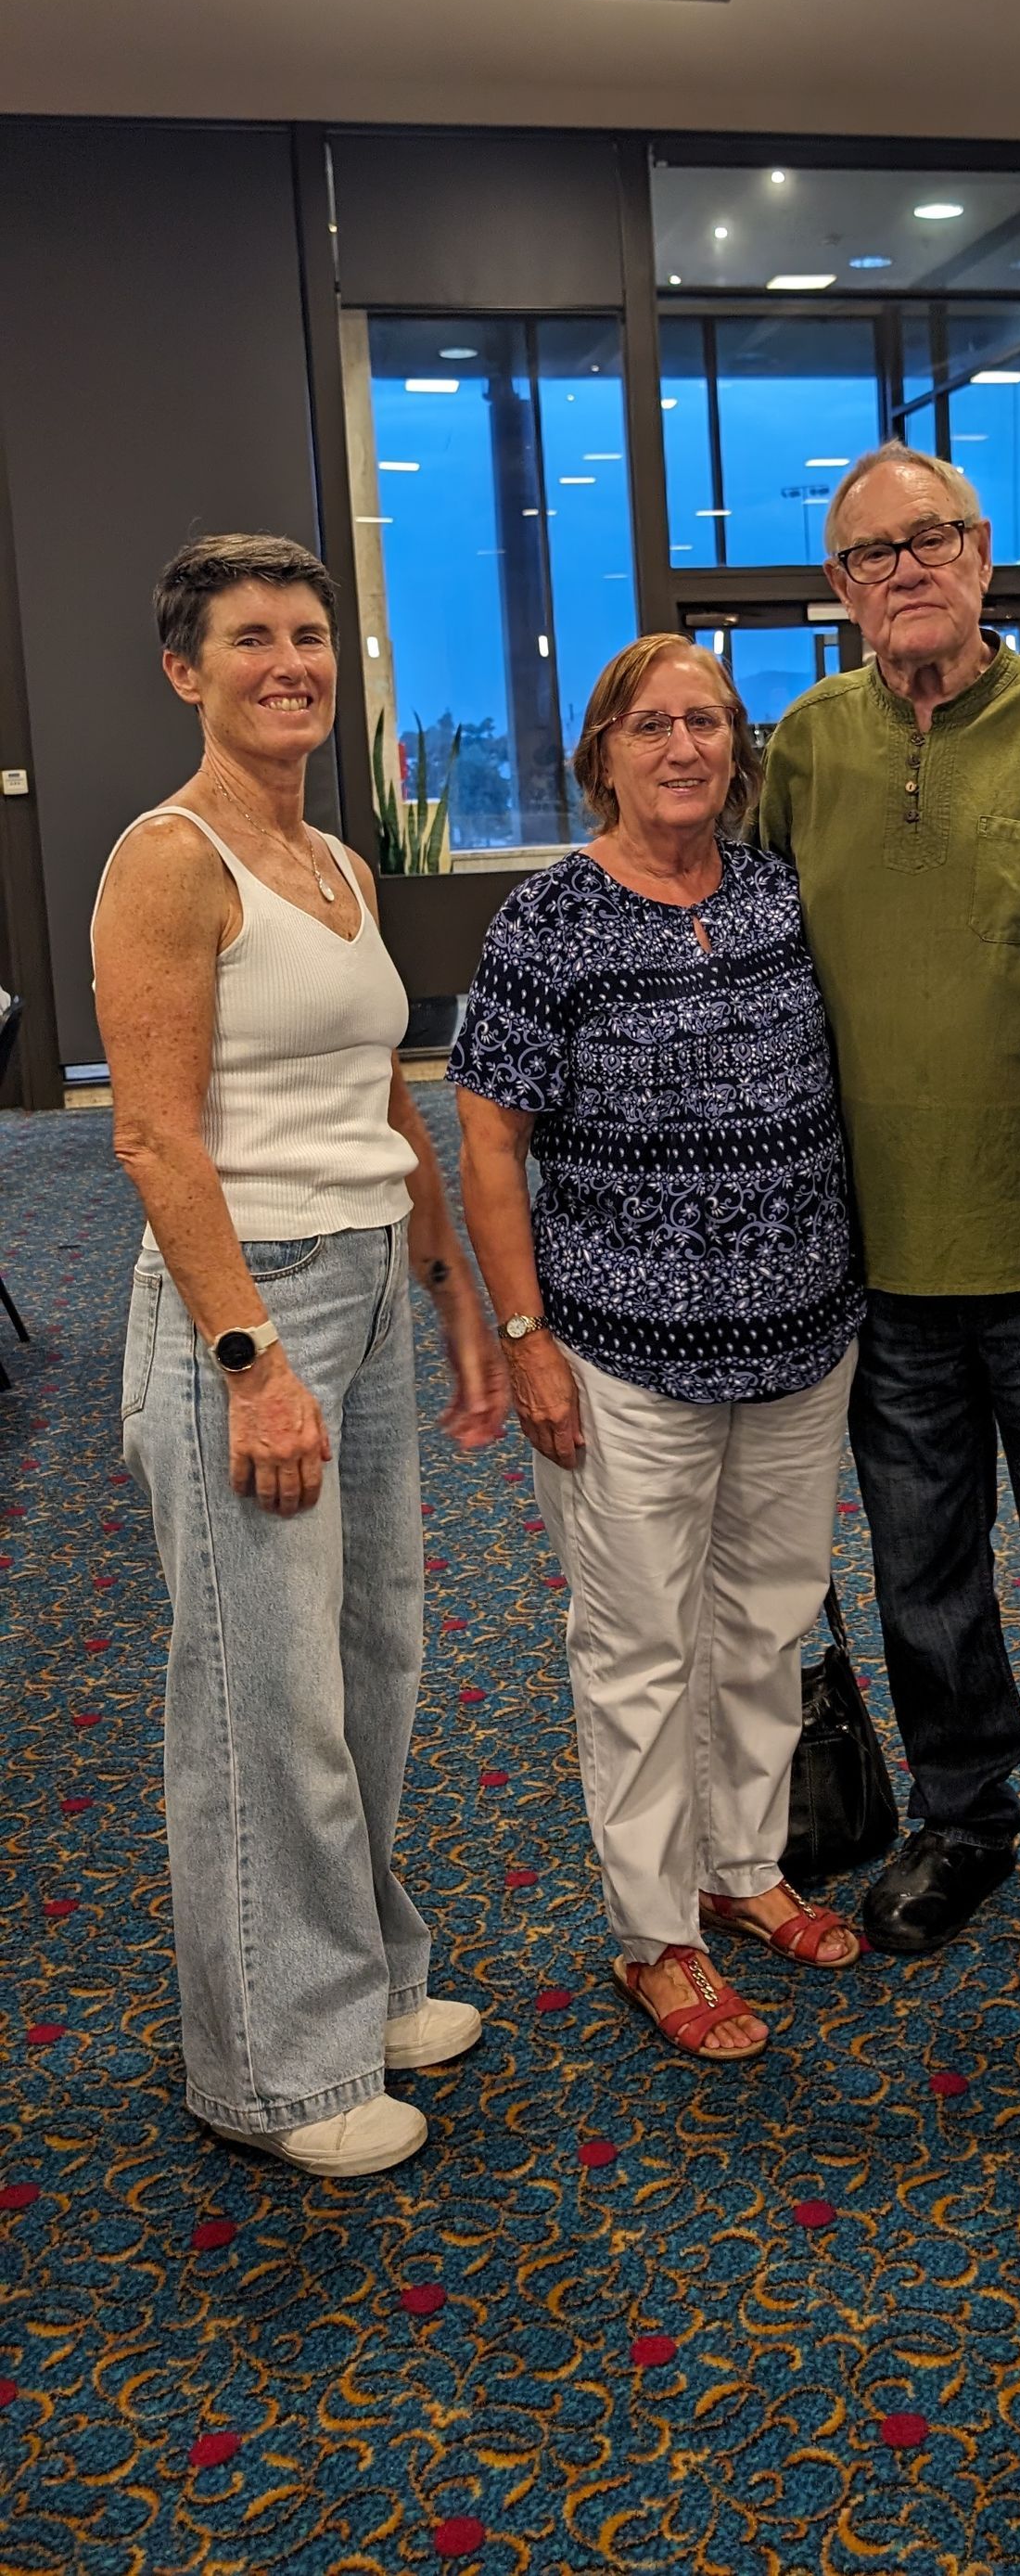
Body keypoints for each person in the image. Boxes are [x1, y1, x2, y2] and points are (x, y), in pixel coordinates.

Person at [92, 533, 507, 2176]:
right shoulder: (169, 857)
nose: (291, 663)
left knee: (367, 1661)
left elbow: (378, 1086)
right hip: (248, 1297)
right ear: (185, 669)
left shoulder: (333, 858)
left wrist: (447, 1277)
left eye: (312, 634)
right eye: (252, 637)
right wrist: (248, 1357)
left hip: (369, 1276)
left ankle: (365, 1981)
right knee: (259, 1696)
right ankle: (271, 2068)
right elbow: (151, 1135)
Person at [754, 442, 1020, 1985]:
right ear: (842, 587)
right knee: (922, 1565)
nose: (907, 568)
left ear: (984, 554)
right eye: (873, 552)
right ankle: (962, 1814)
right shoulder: (809, 746)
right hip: (881, 1258)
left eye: (931, 538)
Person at [451, 637, 864, 2065]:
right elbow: (489, 1145)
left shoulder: (775, 892)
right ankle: (654, 1931)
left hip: (802, 1333)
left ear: (736, 747)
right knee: (638, 1647)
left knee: (765, 1620)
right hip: (623, 1350)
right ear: (603, 753)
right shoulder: (548, 921)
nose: (683, 747)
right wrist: (526, 1340)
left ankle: (742, 1868)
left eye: (707, 721)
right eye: (651, 725)